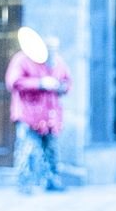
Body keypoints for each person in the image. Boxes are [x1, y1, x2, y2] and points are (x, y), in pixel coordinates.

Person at [5, 34, 72, 193]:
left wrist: (61, 86)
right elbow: (13, 82)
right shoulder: (22, 59)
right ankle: (25, 183)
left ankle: (51, 180)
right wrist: (40, 83)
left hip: (50, 115)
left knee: (51, 149)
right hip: (28, 114)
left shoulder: (57, 61)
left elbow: (67, 81)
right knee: (27, 148)